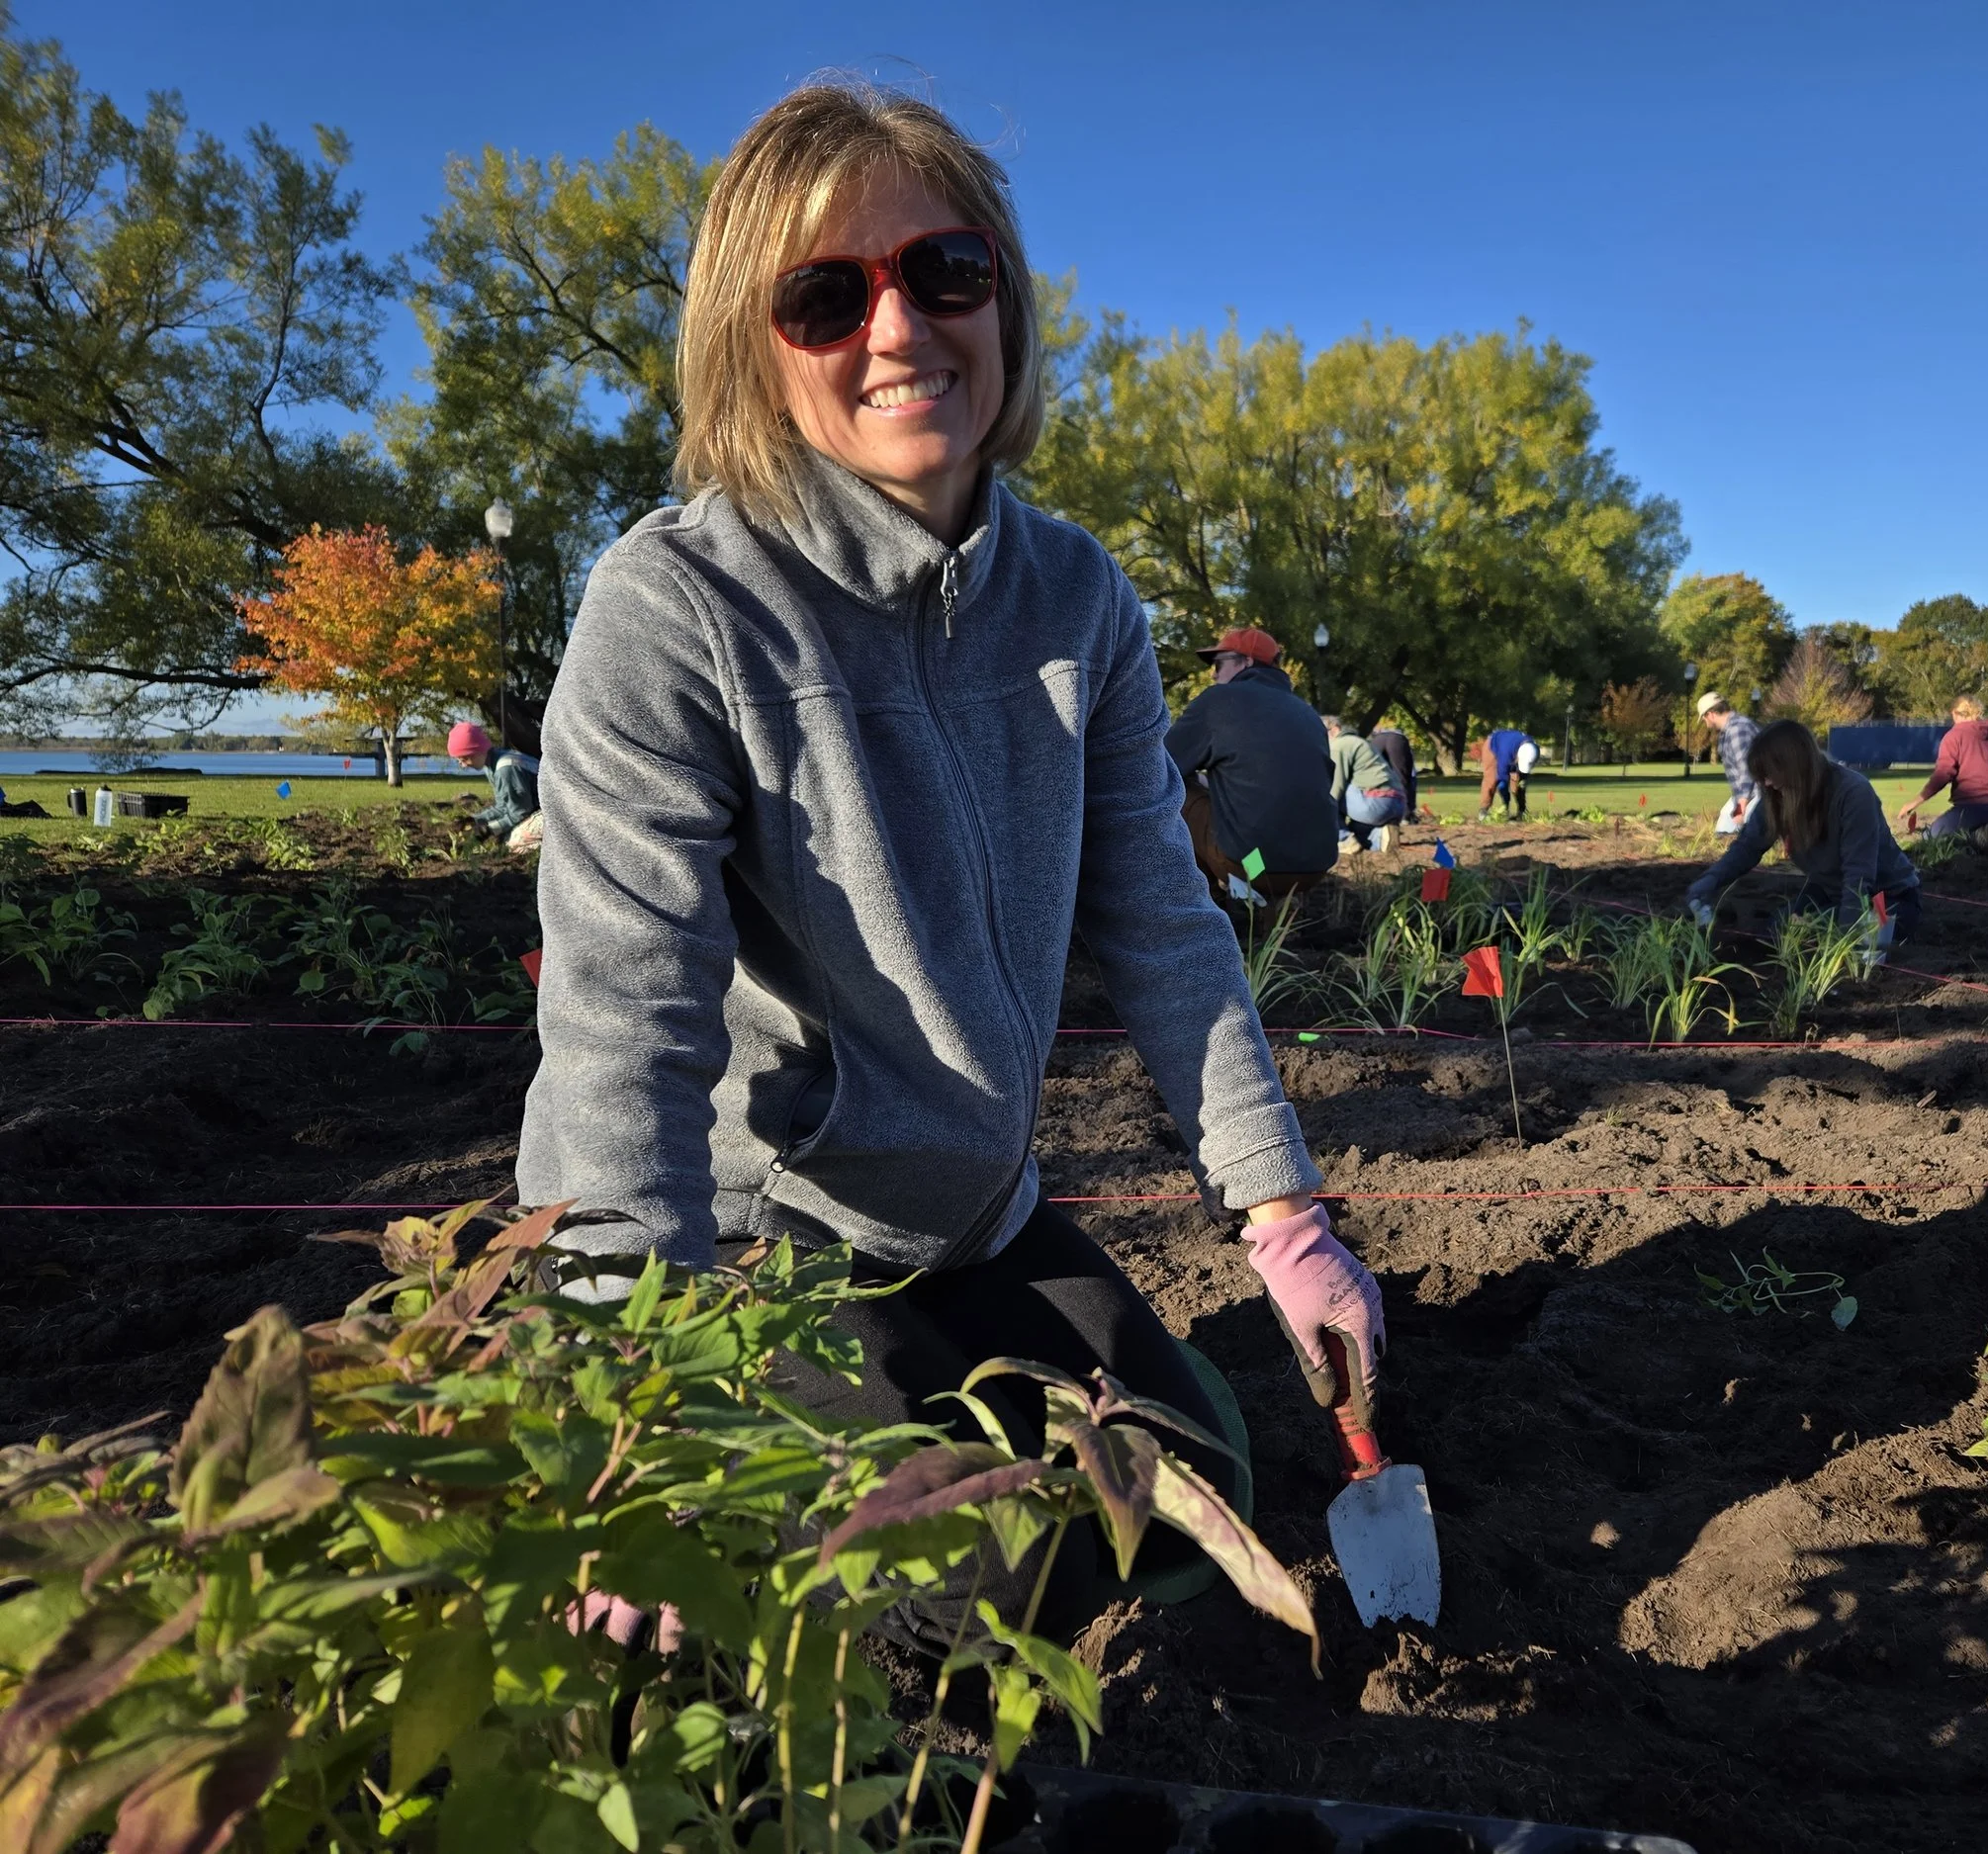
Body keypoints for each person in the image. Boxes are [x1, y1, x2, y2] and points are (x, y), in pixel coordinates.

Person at [514, 84, 1385, 1639]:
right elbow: (624, 1024)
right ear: (751, 345)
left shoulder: (1080, 601)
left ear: (1006, 300)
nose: (899, 325)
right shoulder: (677, 609)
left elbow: (1166, 926)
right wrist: (627, 1403)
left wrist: (1282, 1213)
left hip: (971, 1209)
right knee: (933, 1584)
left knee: (1191, 1485)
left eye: (945, 269)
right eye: (826, 295)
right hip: (751, 1236)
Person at [1685, 719, 1922, 942]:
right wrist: (1709, 882)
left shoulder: (1853, 793)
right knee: (1778, 929)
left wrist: (1844, 944)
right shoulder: (1776, 796)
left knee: (1810, 932)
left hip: (1885, 898)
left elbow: (1858, 877)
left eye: (1770, 773)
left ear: (1794, 766)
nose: (1766, 783)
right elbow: (1747, 846)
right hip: (1828, 889)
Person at [1164, 628, 1341, 901]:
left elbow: (1163, 764)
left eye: (1219, 664)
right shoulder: (1307, 712)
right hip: (1315, 866)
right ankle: (1276, 910)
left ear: (1246, 662)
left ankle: (1206, 907)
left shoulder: (1217, 702)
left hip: (1249, 865)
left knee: (1174, 790)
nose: (1213, 674)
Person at [1896, 697, 1988, 842]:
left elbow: (1942, 775)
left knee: (1930, 837)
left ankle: (1979, 838)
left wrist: (1914, 802)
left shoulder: (1954, 737)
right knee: (1971, 826)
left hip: (1973, 809)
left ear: (1954, 713)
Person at [447, 721, 541, 842]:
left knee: (514, 841)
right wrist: (475, 820)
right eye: (459, 761)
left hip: (557, 811)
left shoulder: (506, 769)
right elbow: (503, 807)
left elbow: (521, 812)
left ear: (478, 750)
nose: (464, 765)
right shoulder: (492, 764)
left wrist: (489, 830)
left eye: (465, 759)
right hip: (537, 809)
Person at [1326, 715, 1407, 853]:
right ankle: (1381, 837)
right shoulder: (1360, 742)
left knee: (1325, 797)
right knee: (1358, 832)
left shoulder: (1339, 746)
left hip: (1374, 802)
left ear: (1333, 730)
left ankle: (1343, 840)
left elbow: (1335, 787)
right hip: (1397, 803)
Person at [1697, 691, 1758, 836]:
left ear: (1711, 714)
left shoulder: (1737, 729)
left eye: (1704, 718)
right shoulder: (1729, 730)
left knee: (1748, 834)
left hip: (1760, 792)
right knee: (1724, 828)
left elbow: (1746, 768)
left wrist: (1741, 804)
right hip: (1749, 792)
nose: (1705, 722)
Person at [1368, 718, 1420, 820]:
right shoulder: (1399, 732)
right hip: (1397, 739)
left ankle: (1378, 812)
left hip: (1377, 740)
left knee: (1376, 777)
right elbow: (1410, 775)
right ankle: (1405, 814)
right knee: (1402, 777)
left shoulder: (1379, 726)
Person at [1480, 726, 1538, 818]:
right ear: (1518, 757)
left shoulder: (1533, 749)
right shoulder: (1505, 754)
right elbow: (1502, 778)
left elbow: (1523, 776)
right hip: (1493, 747)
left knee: (1519, 783)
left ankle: (1522, 810)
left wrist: (1521, 782)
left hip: (1513, 748)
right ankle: (1484, 811)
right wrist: (1506, 802)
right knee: (1491, 780)